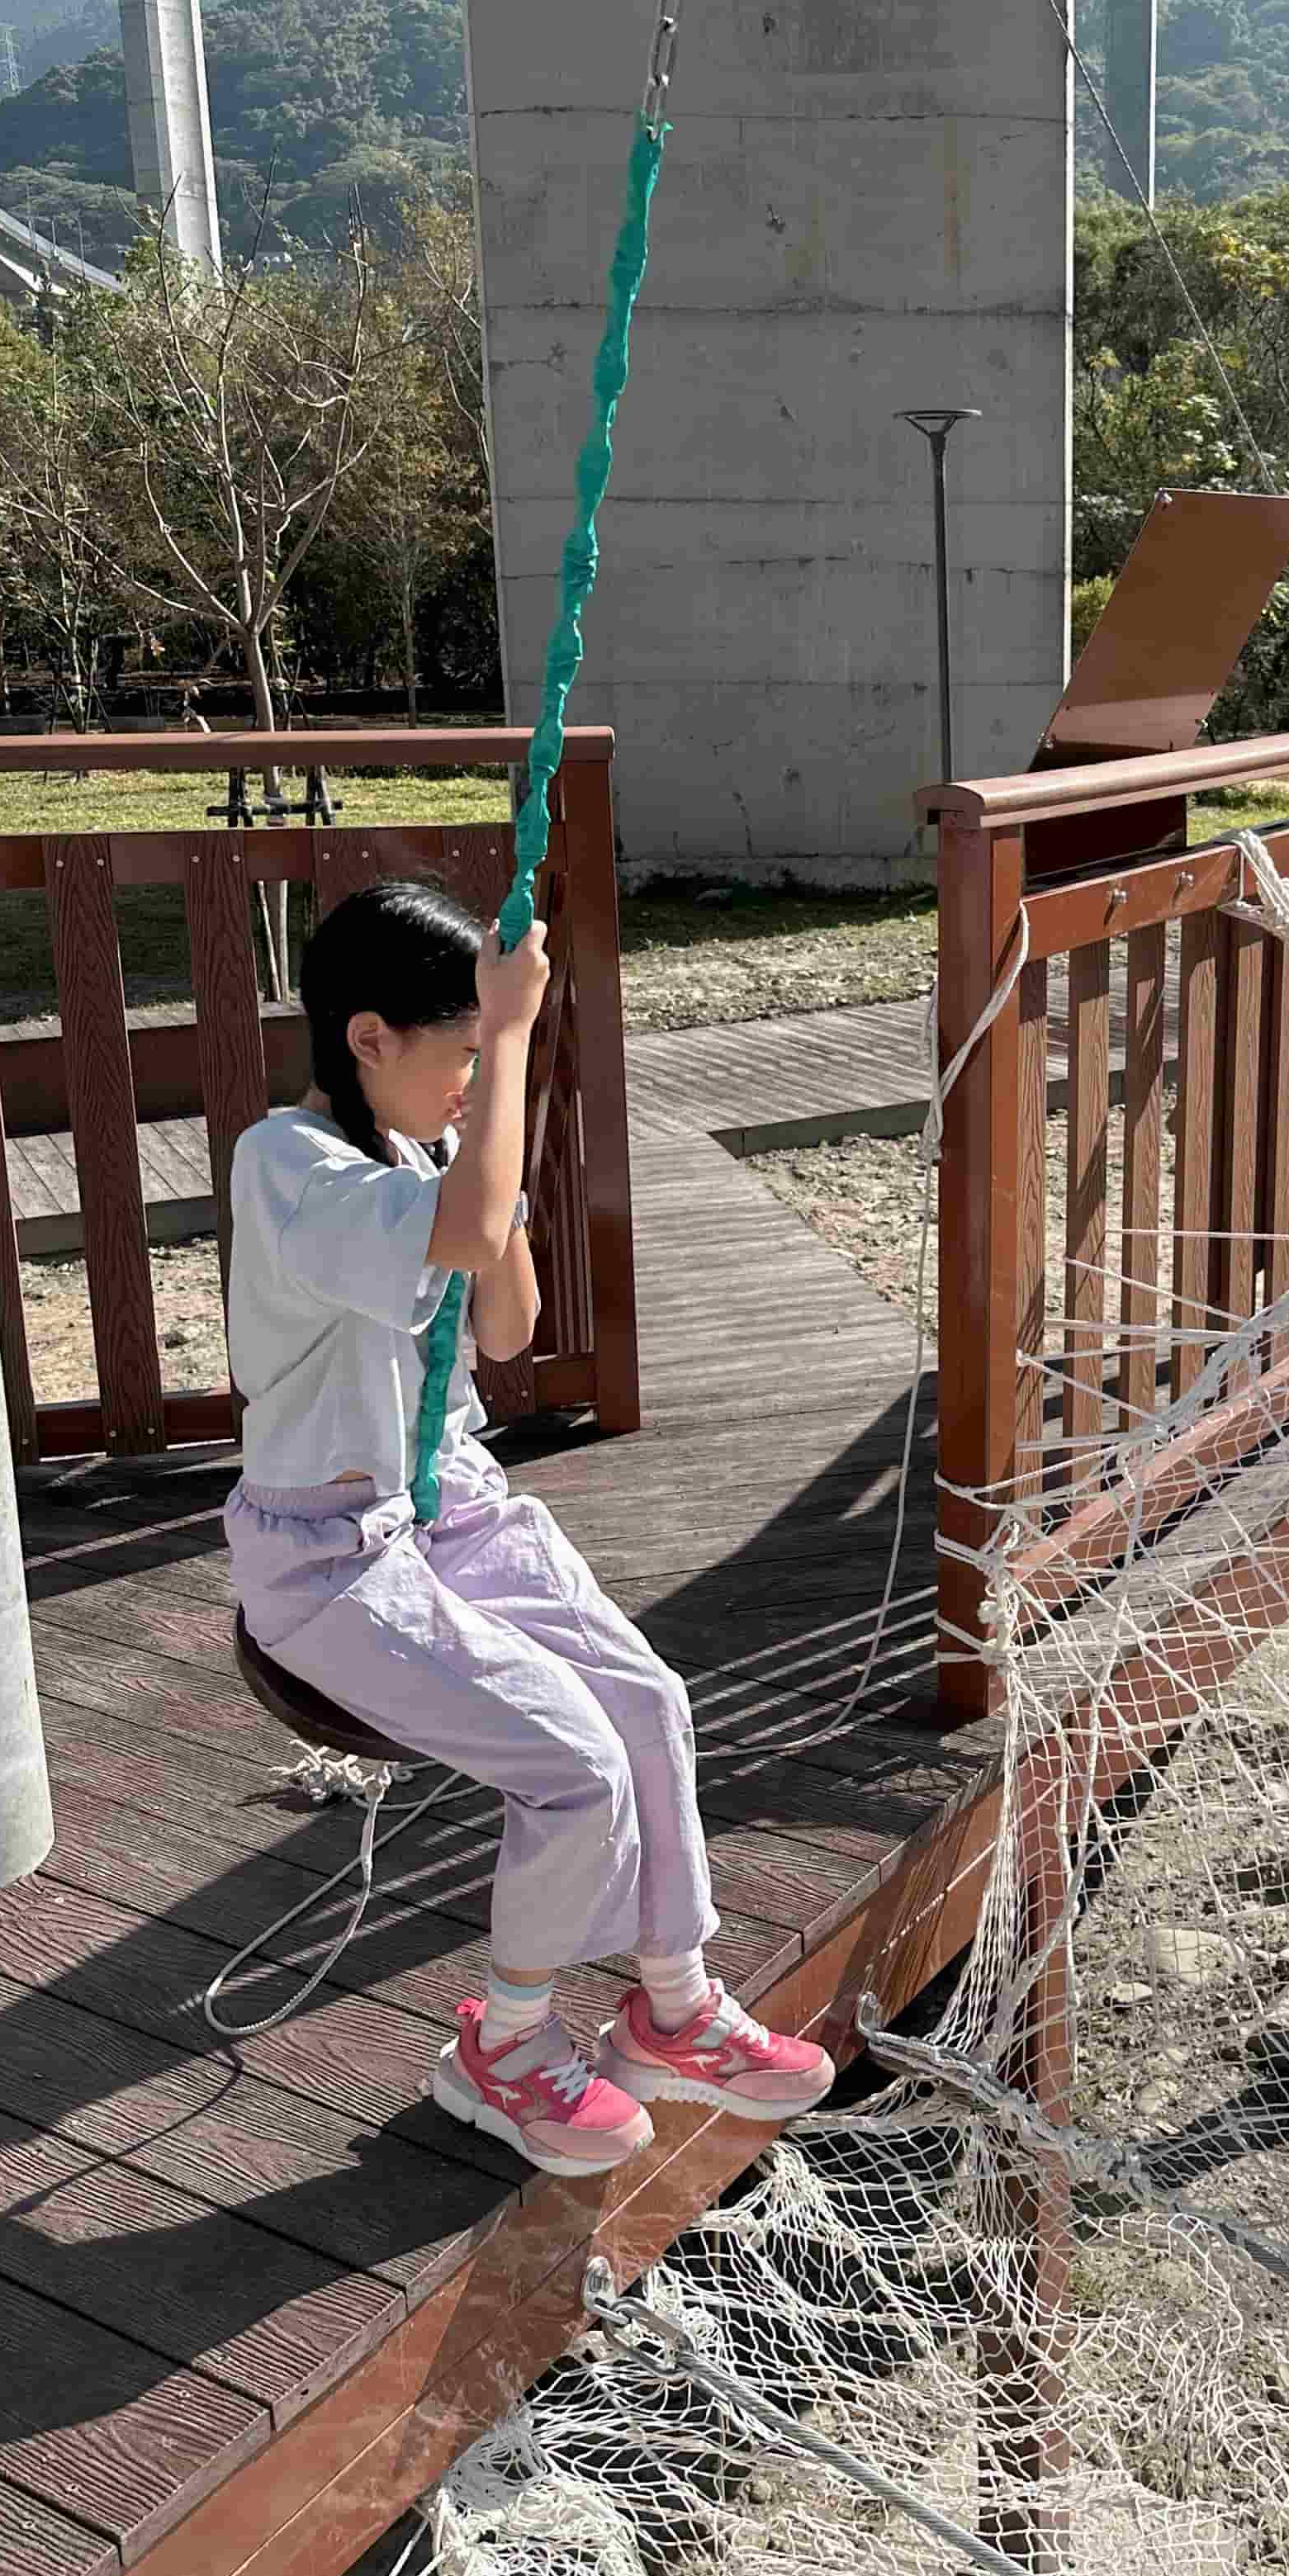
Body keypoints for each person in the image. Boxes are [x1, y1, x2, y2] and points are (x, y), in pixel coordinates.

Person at [223, 876, 834, 2176]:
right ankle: (501, 2046)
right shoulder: (286, 1164)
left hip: (453, 1503)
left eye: (477, 1061)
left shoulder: (428, 1154)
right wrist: (498, 1053)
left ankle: (671, 2005)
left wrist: (479, 1116)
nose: (469, 1085)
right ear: (368, 1039)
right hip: (328, 1552)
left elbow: (503, 1326)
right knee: (571, 1764)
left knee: (646, 1703)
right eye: (449, 1057)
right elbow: (452, 1235)